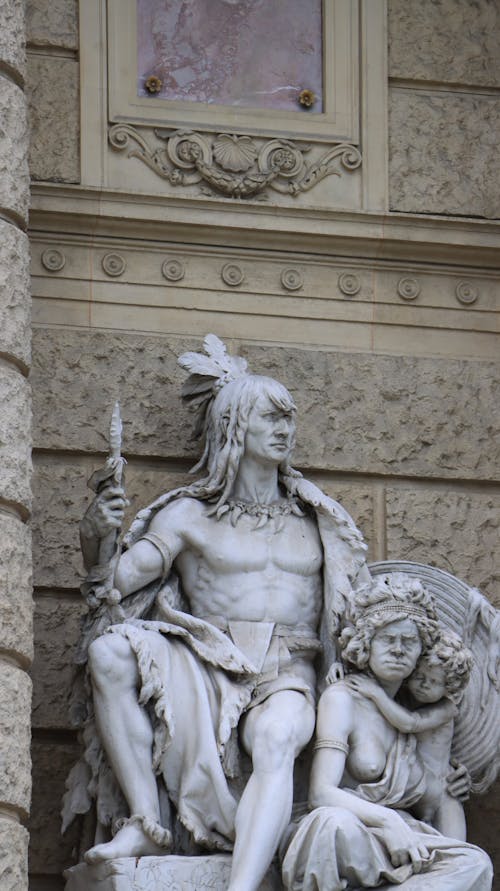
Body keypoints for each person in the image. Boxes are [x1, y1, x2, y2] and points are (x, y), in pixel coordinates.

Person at [65, 335, 370, 891]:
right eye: (270, 419)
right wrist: (97, 536)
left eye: (289, 419)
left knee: (277, 737)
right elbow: (111, 587)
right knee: (109, 651)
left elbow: (352, 612)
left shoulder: (318, 521)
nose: (285, 430)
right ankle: (145, 823)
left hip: (289, 670)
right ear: (234, 428)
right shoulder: (189, 517)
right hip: (206, 661)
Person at [281, 574, 493, 891]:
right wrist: (387, 820)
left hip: (405, 841)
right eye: (387, 639)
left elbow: (432, 804)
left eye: (409, 642)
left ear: (422, 650)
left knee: (475, 863)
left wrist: (449, 784)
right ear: (366, 642)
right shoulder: (342, 698)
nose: (397, 650)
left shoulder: (421, 715)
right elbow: (321, 793)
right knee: (331, 824)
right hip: (352, 832)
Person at [347, 630, 472, 840]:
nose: (424, 685)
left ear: (450, 687)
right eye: (420, 676)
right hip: (407, 792)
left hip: (442, 795)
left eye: (434, 682)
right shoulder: (400, 699)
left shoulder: (447, 708)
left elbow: (410, 723)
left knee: (458, 854)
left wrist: (375, 693)